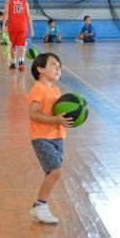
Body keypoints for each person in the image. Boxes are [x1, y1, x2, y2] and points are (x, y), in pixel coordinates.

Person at [27, 52, 73, 224]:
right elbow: (33, 114)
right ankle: (40, 206)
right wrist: (56, 120)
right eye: (53, 64)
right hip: (41, 137)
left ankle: (39, 207)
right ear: (40, 69)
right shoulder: (38, 89)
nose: (58, 67)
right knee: (55, 171)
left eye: (59, 65)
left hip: (58, 136)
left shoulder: (55, 90)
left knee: (52, 172)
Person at [2, 0, 34, 71]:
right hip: (23, 26)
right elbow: (29, 16)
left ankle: (13, 63)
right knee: (22, 44)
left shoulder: (9, 1)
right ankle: (21, 62)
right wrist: (32, 29)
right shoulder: (25, 2)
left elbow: (5, 14)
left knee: (13, 44)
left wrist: (3, 26)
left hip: (12, 26)